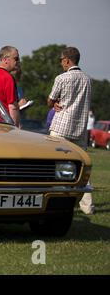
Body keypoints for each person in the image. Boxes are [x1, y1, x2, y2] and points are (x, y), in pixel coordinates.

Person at [47, 46, 94, 215]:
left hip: (61, 126)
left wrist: (54, 103)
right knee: (83, 168)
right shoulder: (88, 79)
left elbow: (50, 101)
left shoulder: (61, 78)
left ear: (67, 60)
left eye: (61, 60)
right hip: (80, 128)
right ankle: (87, 207)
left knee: (52, 165)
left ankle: (52, 199)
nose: (61, 63)